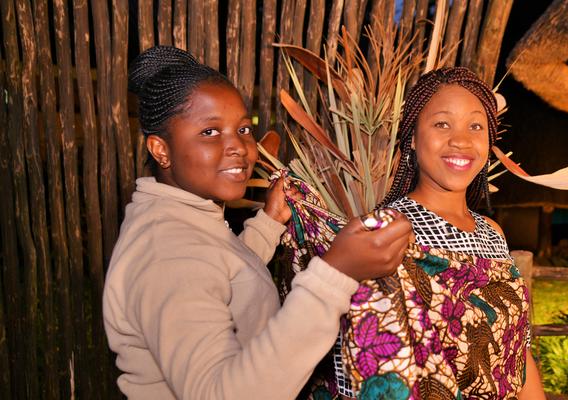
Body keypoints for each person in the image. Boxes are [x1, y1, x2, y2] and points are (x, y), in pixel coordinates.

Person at [102, 46, 412, 400]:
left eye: (244, 129)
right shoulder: (167, 252)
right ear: (161, 150)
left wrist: (268, 222)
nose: (240, 147)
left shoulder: (177, 222)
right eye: (210, 132)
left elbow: (217, 278)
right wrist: (336, 273)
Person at [286, 67, 545, 399]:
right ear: (411, 137)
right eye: (442, 124)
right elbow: (367, 363)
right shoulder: (386, 233)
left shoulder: (493, 234)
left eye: (475, 126)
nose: (462, 140)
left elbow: (517, 354)